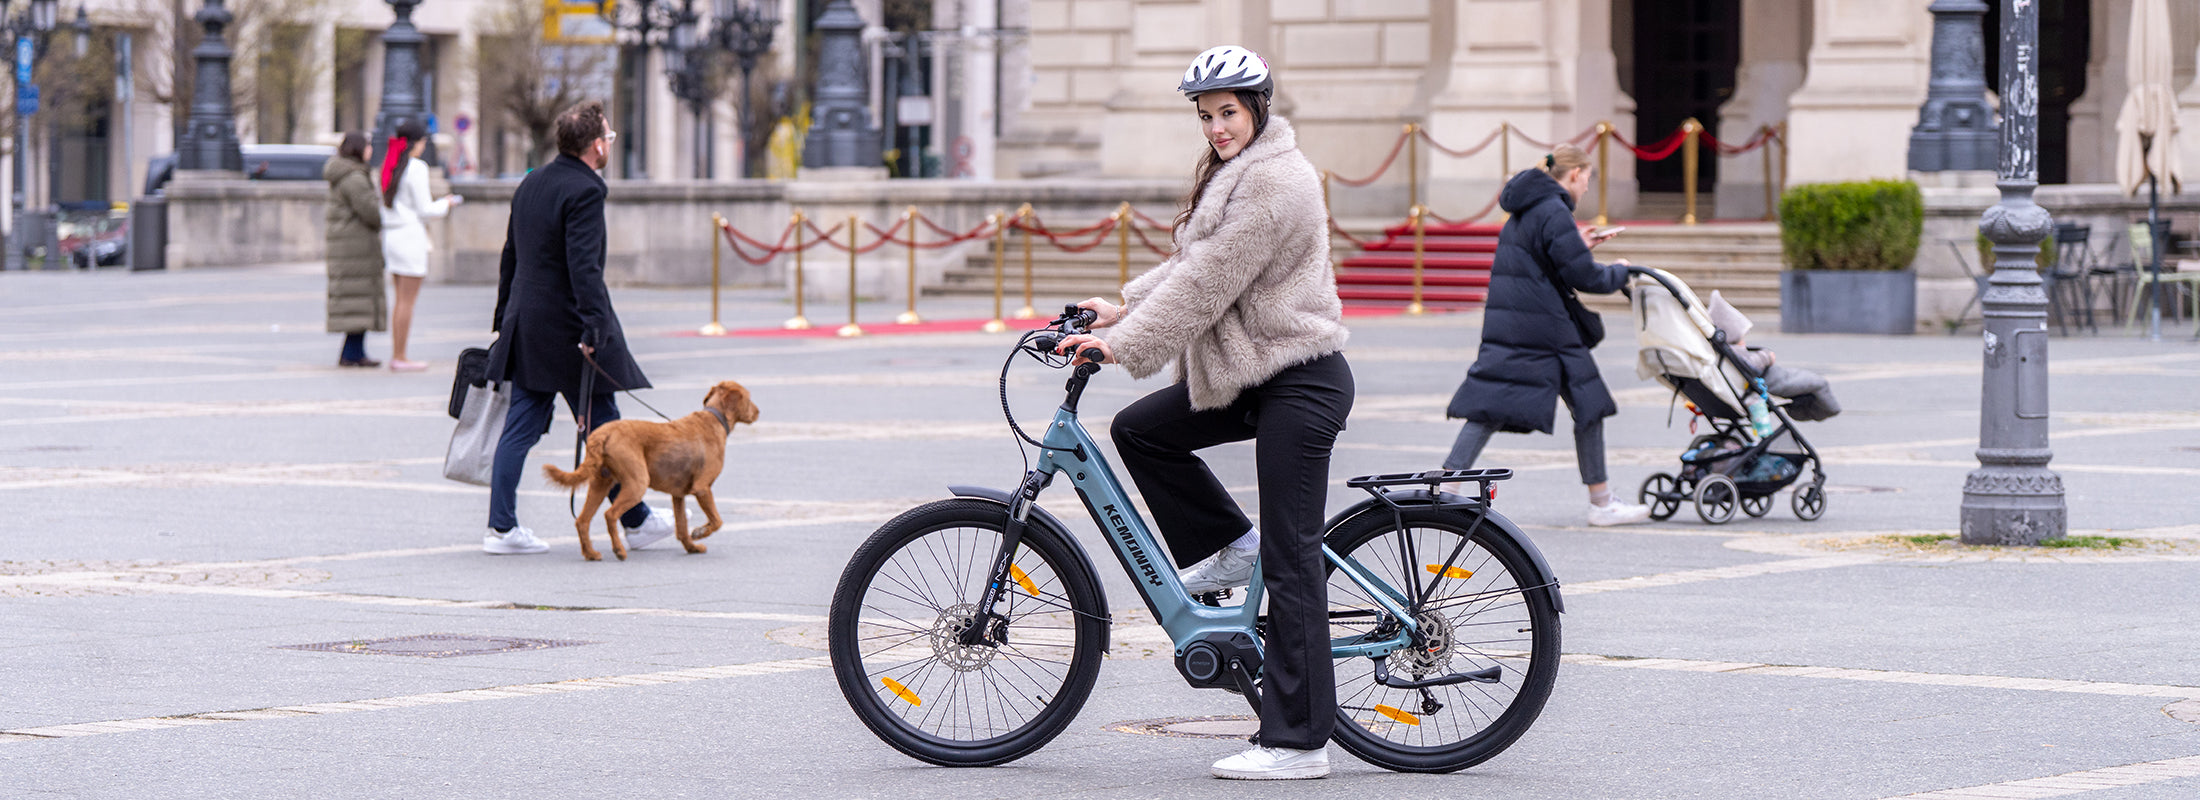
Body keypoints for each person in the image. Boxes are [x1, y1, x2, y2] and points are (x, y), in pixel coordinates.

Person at [1053, 45, 1351, 781]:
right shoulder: (1239, 173)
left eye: (1228, 112)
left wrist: (1122, 344)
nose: (1217, 127)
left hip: (1300, 378)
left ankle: (1299, 743)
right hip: (1254, 372)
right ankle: (1230, 542)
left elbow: (1210, 284)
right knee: (1140, 430)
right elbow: (1191, 263)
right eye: (1207, 116)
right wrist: (1121, 305)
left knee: (1294, 561)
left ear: (1257, 108)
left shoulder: (1279, 182)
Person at [480, 100, 673, 556]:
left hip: (527, 324)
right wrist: (593, 326)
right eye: (607, 136)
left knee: (522, 427)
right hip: (568, 328)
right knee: (606, 428)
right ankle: (637, 520)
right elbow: (583, 267)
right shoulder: (586, 190)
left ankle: (501, 528)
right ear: (594, 145)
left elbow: (511, 256)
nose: (609, 143)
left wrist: (503, 318)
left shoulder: (531, 183)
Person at [1441, 144, 1654, 527]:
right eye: (1587, 179)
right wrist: (1621, 271)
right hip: (1544, 327)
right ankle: (1602, 503)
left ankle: (1449, 487)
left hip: (1521, 321)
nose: (1587, 188)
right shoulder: (1553, 210)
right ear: (1573, 175)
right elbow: (1584, 276)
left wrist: (1580, 245)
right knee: (1587, 404)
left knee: (1494, 400)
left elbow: (1548, 259)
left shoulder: (1529, 206)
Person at [377, 119, 462, 372]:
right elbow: (425, 209)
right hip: (410, 236)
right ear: (417, 143)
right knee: (407, 301)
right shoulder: (417, 168)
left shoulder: (391, 163)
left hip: (392, 236)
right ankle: (400, 356)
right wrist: (446, 203)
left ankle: (398, 353)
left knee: (400, 300)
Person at [1705, 290, 1841, 421]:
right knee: (1819, 383)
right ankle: (1828, 409)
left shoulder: (1721, 354)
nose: (1744, 341)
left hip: (1768, 379)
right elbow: (1751, 364)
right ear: (1732, 336)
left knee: (1808, 382)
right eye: (1741, 337)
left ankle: (1806, 409)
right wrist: (1767, 356)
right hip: (1772, 380)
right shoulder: (1733, 353)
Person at [324, 132, 384, 368]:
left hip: (350, 247)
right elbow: (371, 212)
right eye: (368, 145)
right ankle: (352, 353)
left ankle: (354, 351)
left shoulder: (347, 174)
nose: (371, 149)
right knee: (358, 300)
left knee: (355, 301)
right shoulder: (354, 178)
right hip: (355, 248)